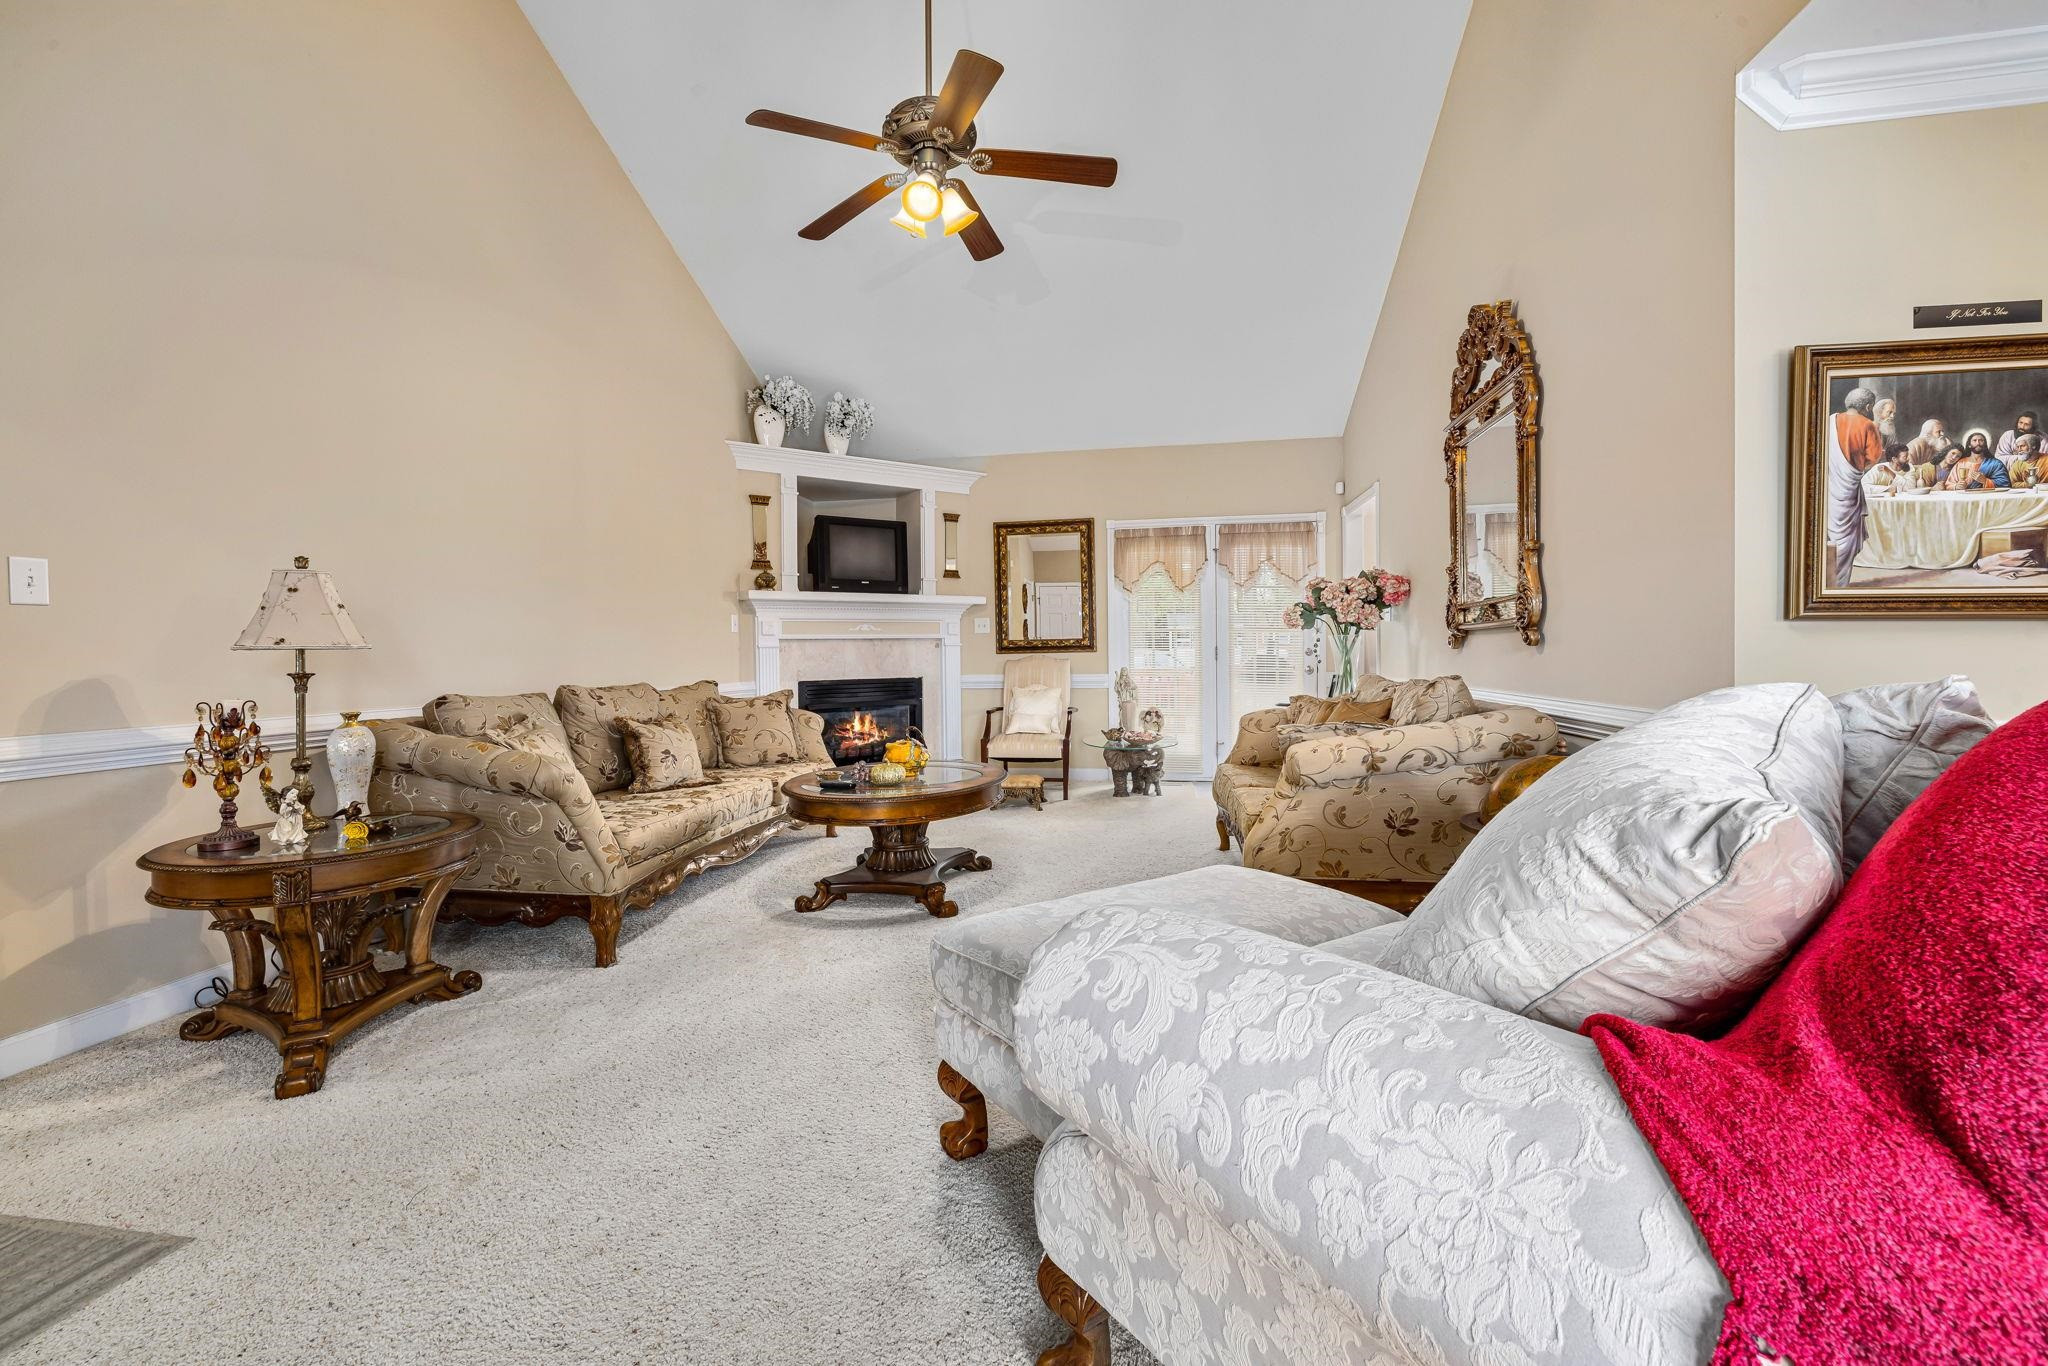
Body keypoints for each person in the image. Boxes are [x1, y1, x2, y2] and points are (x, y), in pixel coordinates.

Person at [1827, 387, 1885, 586]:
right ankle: (1838, 584)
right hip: (1849, 487)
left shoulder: (1829, 421)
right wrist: (1855, 468)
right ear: (1868, 407)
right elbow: (1873, 457)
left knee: (1829, 534)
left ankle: (1825, 583)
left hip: (1828, 486)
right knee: (1846, 537)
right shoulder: (1868, 425)